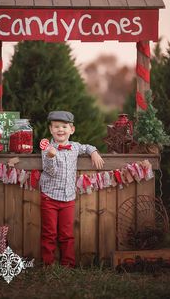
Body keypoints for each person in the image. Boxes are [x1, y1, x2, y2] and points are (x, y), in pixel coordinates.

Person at [40, 110, 104, 268]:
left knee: (67, 234)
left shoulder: (75, 147)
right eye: (56, 126)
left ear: (71, 130)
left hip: (68, 198)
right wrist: (50, 156)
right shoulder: (47, 148)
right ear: (51, 129)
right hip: (49, 197)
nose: (60, 129)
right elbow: (51, 171)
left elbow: (87, 147)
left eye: (64, 126)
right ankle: (48, 264)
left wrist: (94, 152)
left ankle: (68, 264)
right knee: (49, 233)